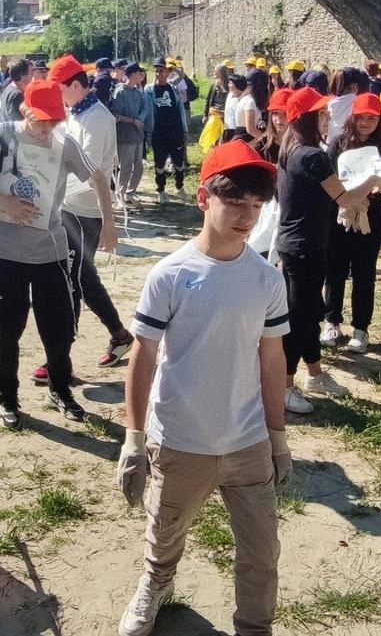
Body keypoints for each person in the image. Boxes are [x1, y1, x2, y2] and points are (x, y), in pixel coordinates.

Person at [114, 139, 291, 636]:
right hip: (180, 439)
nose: (247, 216)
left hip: (247, 441)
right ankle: (156, 583)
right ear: (203, 198)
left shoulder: (266, 279)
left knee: (262, 550)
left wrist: (277, 437)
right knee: (165, 530)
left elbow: (271, 356)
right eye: (235, 202)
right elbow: (143, 353)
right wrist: (133, 437)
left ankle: (255, 626)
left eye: (257, 205)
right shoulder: (170, 275)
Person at [0, 79, 97, 429]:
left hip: (50, 250)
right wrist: (2, 201)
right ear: (24, 110)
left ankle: (61, 390)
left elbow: (96, 177)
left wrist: (108, 223)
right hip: (6, 250)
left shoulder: (63, 143)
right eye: (41, 120)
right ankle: (8, 397)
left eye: (55, 120)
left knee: (58, 328)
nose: (48, 127)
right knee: (7, 330)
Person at [276, 87, 381, 414]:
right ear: (310, 118)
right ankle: (284, 387)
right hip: (306, 246)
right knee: (301, 317)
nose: (327, 119)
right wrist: (375, 178)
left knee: (308, 314)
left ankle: (315, 374)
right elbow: (346, 198)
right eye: (322, 114)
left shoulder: (291, 147)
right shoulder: (312, 155)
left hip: (298, 244)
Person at [45, 55, 132, 377]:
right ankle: (120, 335)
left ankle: (59, 356)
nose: (58, 95)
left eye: (61, 89)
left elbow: (89, 172)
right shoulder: (74, 114)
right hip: (66, 208)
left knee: (71, 281)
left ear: (77, 85)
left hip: (85, 211)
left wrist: (109, 224)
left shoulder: (97, 119)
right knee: (81, 278)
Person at [322, 93, 381, 353]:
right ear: (352, 118)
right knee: (336, 268)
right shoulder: (339, 143)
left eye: (371, 118)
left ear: (379, 120)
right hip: (339, 216)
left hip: (370, 219)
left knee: (364, 271)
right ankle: (331, 321)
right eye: (361, 117)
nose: (365, 123)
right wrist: (346, 201)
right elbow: (327, 177)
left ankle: (361, 328)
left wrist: (368, 202)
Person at [149, 57, 188, 202]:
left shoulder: (173, 87)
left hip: (175, 130)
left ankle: (179, 187)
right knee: (159, 162)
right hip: (159, 132)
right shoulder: (150, 89)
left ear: (167, 72)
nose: (159, 74)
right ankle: (161, 190)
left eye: (162, 71)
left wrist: (185, 130)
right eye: (156, 71)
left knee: (178, 161)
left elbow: (182, 76)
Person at [112, 63, 150, 205]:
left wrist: (140, 119)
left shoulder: (138, 92)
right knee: (126, 167)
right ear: (132, 74)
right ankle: (119, 195)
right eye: (139, 72)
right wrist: (133, 121)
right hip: (125, 136)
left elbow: (144, 108)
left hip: (137, 136)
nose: (142, 75)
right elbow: (116, 115)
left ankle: (130, 193)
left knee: (138, 167)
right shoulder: (120, 92)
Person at [325, 67, 369, 147]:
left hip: (329, 149)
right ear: (355, 86)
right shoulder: (358, 105)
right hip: (350, 151)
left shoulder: (328, 105)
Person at [0, 59, 32, 123]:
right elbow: (16, 126)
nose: (33, 76)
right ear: (22, 75)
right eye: (31, 73)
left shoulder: (9, 87)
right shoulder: (17, 95)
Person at [205, 64, 230, 137]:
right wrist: (205, 115)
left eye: (215, 71)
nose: (213, 73)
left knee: (224, 135)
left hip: (225, 115)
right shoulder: (213, 85)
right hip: (214, 114)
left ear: (221, 72)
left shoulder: (229, 85)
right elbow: (208, 100)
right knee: (213, 136)